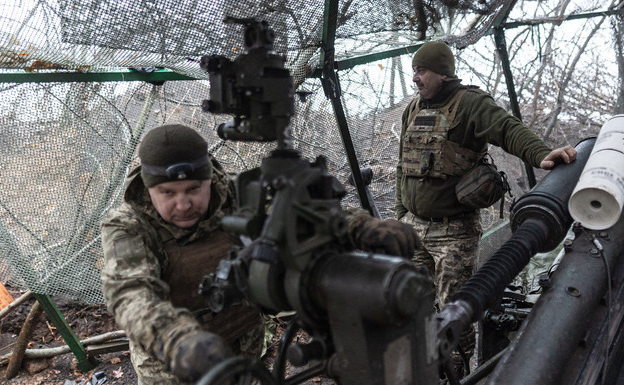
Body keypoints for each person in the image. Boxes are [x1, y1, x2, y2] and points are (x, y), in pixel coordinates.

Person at [101, 124, 419, 385]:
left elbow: (301, 214)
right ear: (148, 186)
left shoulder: (239, 194)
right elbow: (130, 294)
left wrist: (361, 227)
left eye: (194, 189)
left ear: (209, 179)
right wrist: (178, 340)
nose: (183, 205)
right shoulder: (128, 226)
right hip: (173, 365)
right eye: (167, 193)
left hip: (245, 346)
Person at [394, 41, 577, 369]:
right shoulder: (413, 109)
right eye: (414, 72)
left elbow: (508, 130)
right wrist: (400, 214)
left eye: (421, 71)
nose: (415, 79)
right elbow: (402, 166)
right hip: (413, 227)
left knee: (455, 312)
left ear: (442, 72)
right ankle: (421, 370)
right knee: (411, 302)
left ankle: (459, 371)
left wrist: (540, 153)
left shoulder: (470, 104)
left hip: (453, 232)